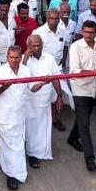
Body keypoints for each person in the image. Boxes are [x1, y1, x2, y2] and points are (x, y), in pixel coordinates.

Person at [0, 46, 35, 190]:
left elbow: (32, 88)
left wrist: (43, 83)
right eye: (11, 57)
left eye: (17, 57)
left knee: (16, 143)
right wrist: (4, 87)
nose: (14, 60)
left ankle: (2, 154)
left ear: (21, 57)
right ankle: (12, 174)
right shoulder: (0, 71)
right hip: (5, 115)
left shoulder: (26, 70)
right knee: (12, 145)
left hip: (20, 114)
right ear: (7, 57)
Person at [21, 35, 62, 170]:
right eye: (33, 46)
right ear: (28, 46)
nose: (36, 48)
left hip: (44, 100)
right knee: (30, 128)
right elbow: (19, 76)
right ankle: (30, 153)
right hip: (29, 101)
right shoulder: (22, 59)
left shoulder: (49, 58)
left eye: (39, 45)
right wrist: (25, 59)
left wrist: (59, 96)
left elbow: (55, 77)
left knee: (42, 128)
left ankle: (37, 152)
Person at [66, 21, 96, 172]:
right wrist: (94, 73)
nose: (88, 35)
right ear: (82, 32)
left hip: (95, 88)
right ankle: (90, 159)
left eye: (91, 32)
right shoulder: (75, 47)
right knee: (85, 124)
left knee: (83, 117)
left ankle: (72, 137)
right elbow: (74, 71)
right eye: (86, 32)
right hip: (80, 89)